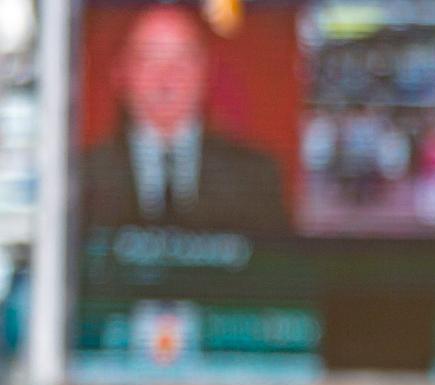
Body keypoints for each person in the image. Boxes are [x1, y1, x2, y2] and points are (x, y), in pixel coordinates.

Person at [79, 5, 291, 234]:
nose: (166, 78)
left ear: (206, 72)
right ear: (120, 72)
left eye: (182, 59)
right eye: (149, 59)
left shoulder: (254, 177)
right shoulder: (82, 176)